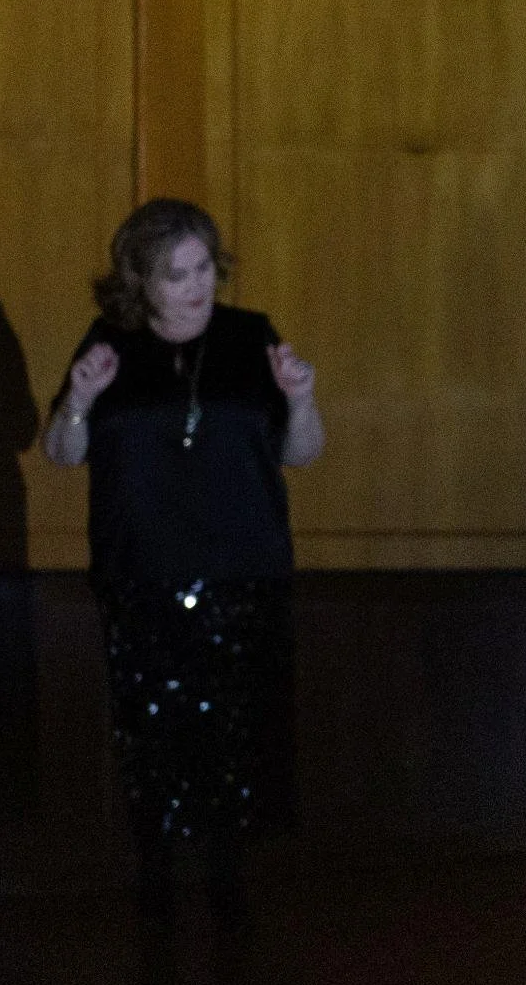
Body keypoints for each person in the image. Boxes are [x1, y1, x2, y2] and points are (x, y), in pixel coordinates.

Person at [42, 200, 325, 925]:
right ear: (142, 280)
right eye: (177, 274)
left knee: (238, 732)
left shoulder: (249, 336)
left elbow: (302, 452)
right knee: (155, 733)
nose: (197, 286)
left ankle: (230, 882)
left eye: (205, 269)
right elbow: (61, 452)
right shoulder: (111, 342)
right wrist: (78, 402)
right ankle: (158, 882)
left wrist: (301, 401)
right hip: (142, 570)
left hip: (244, 564)